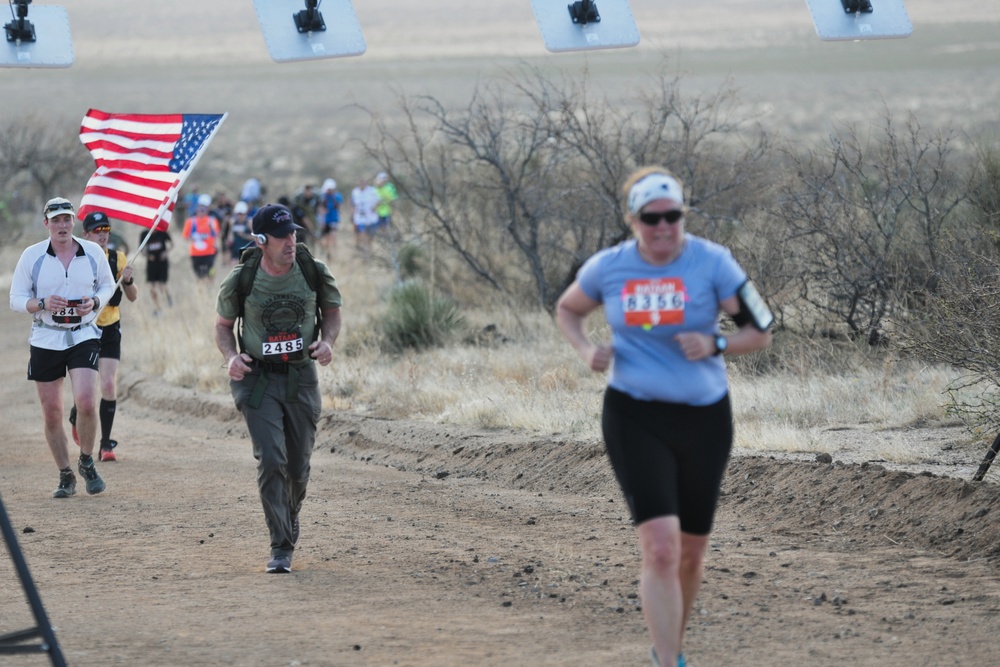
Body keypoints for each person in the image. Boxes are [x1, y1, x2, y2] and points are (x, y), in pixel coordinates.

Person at [554, 168, 773, 667]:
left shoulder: (712, 262)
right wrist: (586, 347)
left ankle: (667, 645)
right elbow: (568, 310)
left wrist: (716, 342)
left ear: (683, 216)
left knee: (692, 553)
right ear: (633, 220)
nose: (662, 227)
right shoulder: (609, 267)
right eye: (651, 218)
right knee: (660, 550)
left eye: (672, 216)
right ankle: (670, 661)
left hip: (705, 419)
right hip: (634, 414)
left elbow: (760, 332)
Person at [214, 203, 343, 574]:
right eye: (282, 235)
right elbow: (223, 326)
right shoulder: (242, 278)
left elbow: (332, 311)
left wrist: (328, 341)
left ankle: (289, 515)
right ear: (260, 240)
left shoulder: (312, 271)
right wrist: (231, 357)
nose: (291, 241)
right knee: (272, 459)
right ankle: (281, 545)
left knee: (298, 468)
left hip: (301, 376)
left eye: (293, 233)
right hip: (257, 379)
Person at [8, 197, 116, 498]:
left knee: (85, 400)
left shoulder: (92, 252)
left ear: (73, 222)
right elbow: (15, 299)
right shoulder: (32, 257)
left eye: (67, 219)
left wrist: (94, 302)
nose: (62, 225)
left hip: (83, 333)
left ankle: (86, 460)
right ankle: (65, 474)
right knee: (52, 411)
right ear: (46, 224)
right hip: (45, 336)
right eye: (55, 220)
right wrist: (41, 303)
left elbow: (108, 286)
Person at [69, 211, 139, 462]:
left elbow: (132, 297)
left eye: (106, 230)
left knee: (108, 384)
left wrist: (128, 281)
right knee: (85, 391)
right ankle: (77, 413)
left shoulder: (117, 258)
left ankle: (106, 444)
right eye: (97, 231)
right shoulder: (76, 260)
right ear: (85, 234)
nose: (102, 235)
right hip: (84, 328)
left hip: (110, 327)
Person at [182, 193, 221, 282]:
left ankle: (209, 285)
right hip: (195, 253)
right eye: (199, 208)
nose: (201, 211)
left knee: (209, 273)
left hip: (209, 252)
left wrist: (212, 229)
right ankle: (201, 291)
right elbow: (185, 236)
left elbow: (217, 235)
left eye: (203, 209)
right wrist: (192, 238)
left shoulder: (212, 220)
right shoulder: (190, 221)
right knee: (199, 275)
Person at [140, 225, 173, 315]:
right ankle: (157, 307)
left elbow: (171, 244)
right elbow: (141, 249)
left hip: (162, 262)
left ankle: (167, 297)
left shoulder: (162, 232)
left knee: (162, 285)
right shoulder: (144, 234)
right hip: (151, 263)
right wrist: (148, 256)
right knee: (152, 287)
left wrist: (166, 253)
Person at [350, 177, 380, 258]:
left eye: (363, 182)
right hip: (359, 219)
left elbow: (378, 201)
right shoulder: (355, 192)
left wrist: (375, 207)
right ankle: (363, 254)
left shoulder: (372, 191)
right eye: (360, 182)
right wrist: (352, 216)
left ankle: (370, 253)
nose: (362, 184)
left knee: (370, 238)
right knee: (362, 236)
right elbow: (353, 205)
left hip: (371, 219)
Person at [318, 178, 343, 261]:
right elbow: (320, 209)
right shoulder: (322, 197)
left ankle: (335, 254)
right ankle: (328, 254)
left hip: (334, 219)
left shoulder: (337, 197)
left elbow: (339, 207)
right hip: (325, 221)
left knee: (333, 236)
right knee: (327, 238)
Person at [227, 200, 255, 264]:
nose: (240, 216)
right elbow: (230, 236)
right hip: (236, 250)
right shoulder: (233, 222)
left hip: (247, 251)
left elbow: (255, 238)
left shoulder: (249, 223)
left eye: (242, 214)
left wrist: (244, 235)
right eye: (238, 214)